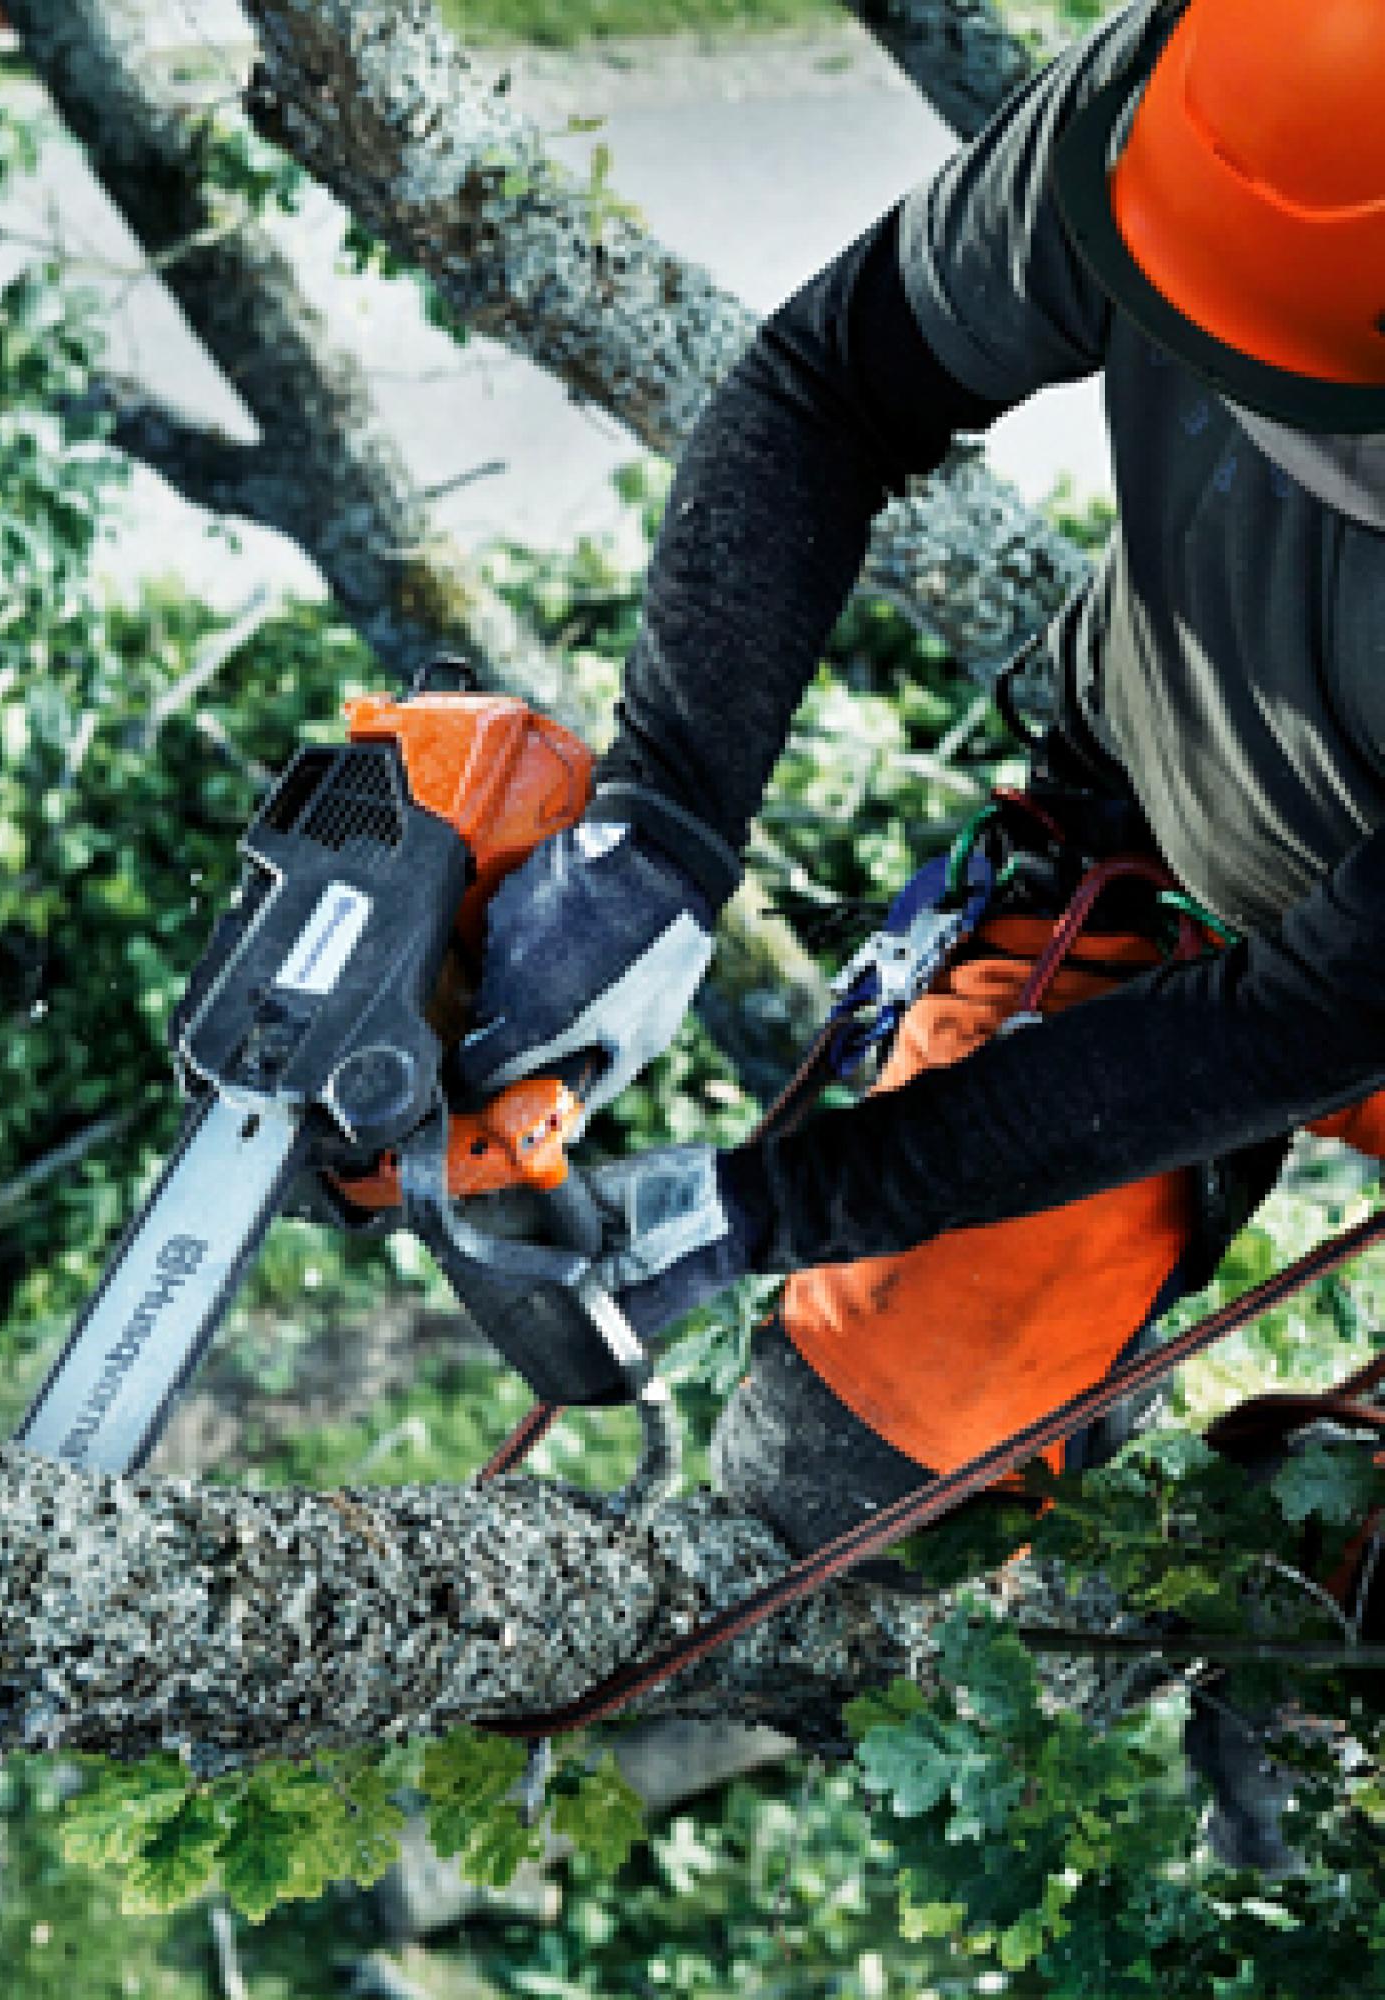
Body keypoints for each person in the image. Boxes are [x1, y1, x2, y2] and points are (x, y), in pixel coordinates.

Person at [460, 0, 1385, 1869]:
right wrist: (657, 829)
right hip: (1166, 827)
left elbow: (1281, 1032)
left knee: (1347, 1653)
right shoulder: (1213, 109)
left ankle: (1303, 1702)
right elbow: (826, 387)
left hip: (1341, 996)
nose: (1262, 437)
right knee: (834, 1482)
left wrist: (765, 1200)